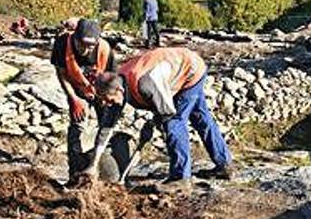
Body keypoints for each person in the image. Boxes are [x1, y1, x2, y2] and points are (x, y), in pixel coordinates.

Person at [90, 47, 233, 186]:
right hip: (172, 71)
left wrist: (152, 124)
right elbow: (106, 127)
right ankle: (224, 164)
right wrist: (93, 165)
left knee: (174, 123)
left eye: (108, 99)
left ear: (119, 90)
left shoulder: (145, 84)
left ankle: (181, 178)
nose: (107, 103)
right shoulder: (116, 83)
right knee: (201, 117)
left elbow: (167, 112)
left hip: (189, 69)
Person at [50, 18, 117, 185]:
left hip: (100, 91)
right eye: (82, 45)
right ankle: (74, 174)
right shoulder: (62, 43)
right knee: (77, 126)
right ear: (75, 38)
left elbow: (111, 80)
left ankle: (101, 171)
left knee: (107, 127)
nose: (86, 50)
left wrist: (105, 99)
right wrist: (73, 99)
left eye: (91, 46)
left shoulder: (105, 49)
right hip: (78, 91)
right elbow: (62, 73)